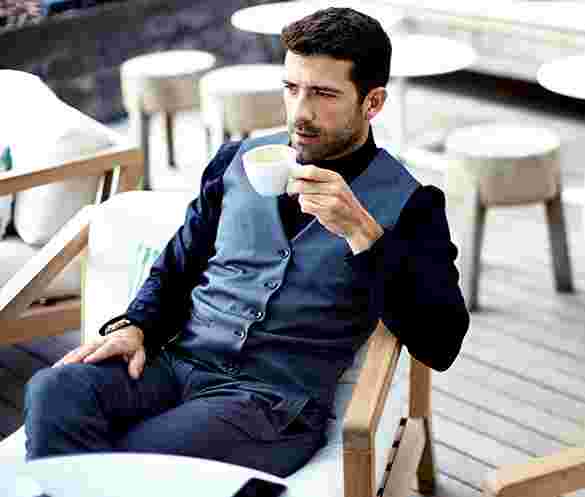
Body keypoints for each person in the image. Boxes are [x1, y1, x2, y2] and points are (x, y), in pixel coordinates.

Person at [24, 7, 469, 477]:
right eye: (291, 88)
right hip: (175, 365)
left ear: (372, 102)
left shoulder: (411, 204)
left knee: (142, 458)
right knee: (54, 389)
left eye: (323, 94)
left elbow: (442, 343)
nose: (300, 112)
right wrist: (136, 325)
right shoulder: (237, 160)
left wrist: (363, 233)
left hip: (270, 404)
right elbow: (180, 262)